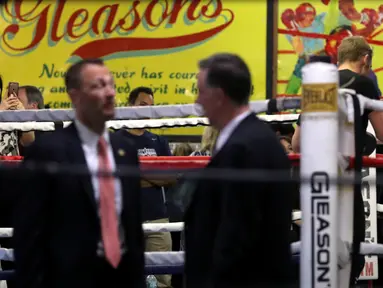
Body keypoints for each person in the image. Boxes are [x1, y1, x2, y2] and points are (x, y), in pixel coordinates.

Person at [13, 59, 145, 288]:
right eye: (97, 86)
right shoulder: (48, 151)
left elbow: (132, 228)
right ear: (75, 96)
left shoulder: (126, 151)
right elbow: (28, 235)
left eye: (111, 85)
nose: (109, 93)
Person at [184, 53, 294, 288]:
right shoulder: (258, 138)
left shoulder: (242, 148)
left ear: (219, 96)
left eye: (201, 91)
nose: (197, 100)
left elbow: (236, 234)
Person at [291, 36, 383, 284]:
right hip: (344, 178)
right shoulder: (364, 83)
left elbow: (297, 143)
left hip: (315, 182)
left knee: (318, 250)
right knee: (350, 253)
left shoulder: (319, 84)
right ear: (365, 59)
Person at [117, 86, 173, 288]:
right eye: (143, 105)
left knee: (162, 280)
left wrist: (135, 172)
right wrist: (153, 175)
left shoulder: (158, 141)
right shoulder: (115, 140)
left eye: (151, 106)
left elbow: (171, 178)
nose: (147, 110)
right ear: (130, 106)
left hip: (157, 219)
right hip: (124, 221)